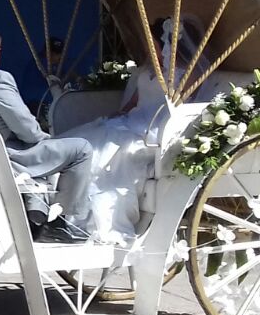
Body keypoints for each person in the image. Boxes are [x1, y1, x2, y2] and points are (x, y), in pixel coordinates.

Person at [59, 15, 211, 244]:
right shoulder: (147, 70)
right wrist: (116, 115)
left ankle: (94, 216)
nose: (150, 49)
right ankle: (65, 202)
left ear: (169, 44)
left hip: (156, 127)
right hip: (132, 120)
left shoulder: (187, 74)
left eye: (156, 45)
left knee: (111, 148)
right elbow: (134, 102)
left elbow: (181, 106)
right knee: (93, 136)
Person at [0, 27, 93, 243]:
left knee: (40, 151)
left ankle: (37, 214)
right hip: (0, 157)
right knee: (80, 149)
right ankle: (62, 220)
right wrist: (44, 138)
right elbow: (28, 131)